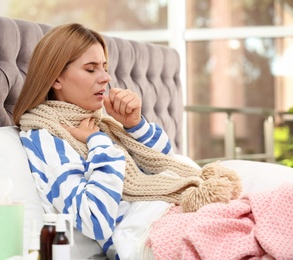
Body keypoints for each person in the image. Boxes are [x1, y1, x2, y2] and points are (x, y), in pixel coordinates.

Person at [13, 23, 241, 259]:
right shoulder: (46, 136)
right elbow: (94, 219)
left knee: (275, 211)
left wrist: (135, 125)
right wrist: (98, 144)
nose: (106, 78)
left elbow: (164, 161)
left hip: (178, 212)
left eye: (104, 67)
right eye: (91, 69)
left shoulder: (99, 122)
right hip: (148, 234)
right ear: (56, 79)